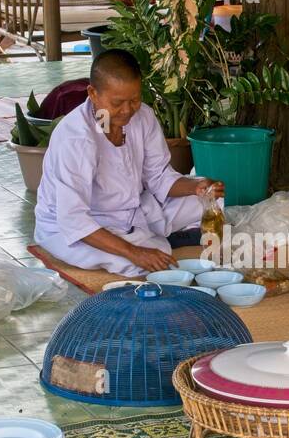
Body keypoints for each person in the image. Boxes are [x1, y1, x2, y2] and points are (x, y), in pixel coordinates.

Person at [33, 49, 223, 275]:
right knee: (137, 264)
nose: (127, 110)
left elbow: (159, 176)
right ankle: (161, 238)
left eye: (134, 100)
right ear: (93, 93)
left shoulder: (143, 116)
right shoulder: (77, 138)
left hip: (135, 207)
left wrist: (196, 186)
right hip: (78, 225)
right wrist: (134, 252)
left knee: (212, 200)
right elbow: (73, 219)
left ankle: (159, 237)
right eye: (117, 103)